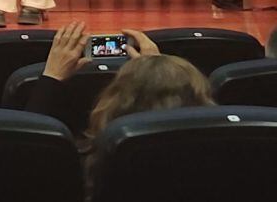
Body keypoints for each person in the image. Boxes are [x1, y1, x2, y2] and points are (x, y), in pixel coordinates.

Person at [31, 22, 214, 193]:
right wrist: (157, 72)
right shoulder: (214, 164)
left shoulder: (87, 168)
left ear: (114, 105)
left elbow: (28, 158)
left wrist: (51, 77)